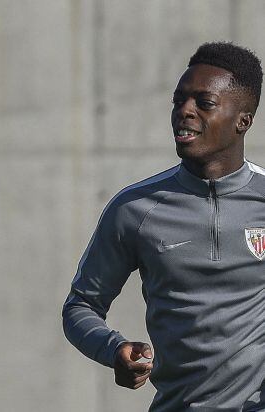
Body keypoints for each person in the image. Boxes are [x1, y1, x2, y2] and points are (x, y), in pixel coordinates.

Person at [62, 42, 265, 411]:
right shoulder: (135, 208)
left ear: (243, 121)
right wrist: (114, 350)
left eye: (204, 103)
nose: (184, 111)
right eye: (179, 101)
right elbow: (80, 307)